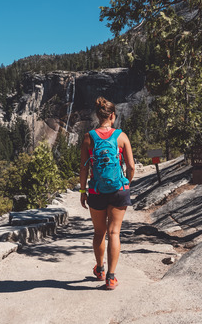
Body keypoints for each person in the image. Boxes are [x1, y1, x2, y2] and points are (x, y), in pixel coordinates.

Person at [79, 97, 135, 290]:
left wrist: (82, 191)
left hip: (96, 191)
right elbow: (131, 166)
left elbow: (83, 169)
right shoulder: (121, 137)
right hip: (119, 190)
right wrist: (126, 183)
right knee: (114, 232)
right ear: (112, 116)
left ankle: (100, 270)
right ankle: (111, 278)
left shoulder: (88, 137)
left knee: (99, 232)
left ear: (98, 115)